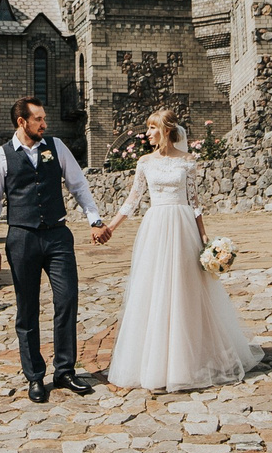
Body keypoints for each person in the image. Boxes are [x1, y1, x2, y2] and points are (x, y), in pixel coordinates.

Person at [103, 106, 261, 392]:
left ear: (165, 130)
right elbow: (132, 200)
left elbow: (195, 203)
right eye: (148, 127)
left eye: (152, 128)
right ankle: (156, 363)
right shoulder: (144, 162)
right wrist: (111, 227)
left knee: (185, 291)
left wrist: (205, 241)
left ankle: (189, 359)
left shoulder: (188, 162)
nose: (147, 133)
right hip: (155, 228)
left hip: (182, 227)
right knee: (154, 290)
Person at [0, 97, 107, 403]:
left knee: (67, 300)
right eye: (38, 119)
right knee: (27, 308)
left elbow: (78, 185)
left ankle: (64, 371)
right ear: (22, 122)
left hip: (58, 236)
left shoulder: (57, 146)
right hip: (22, 238)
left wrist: (95, 219)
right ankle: (34, 376)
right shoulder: (0, 156)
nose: (44, 124)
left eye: (44, 118)